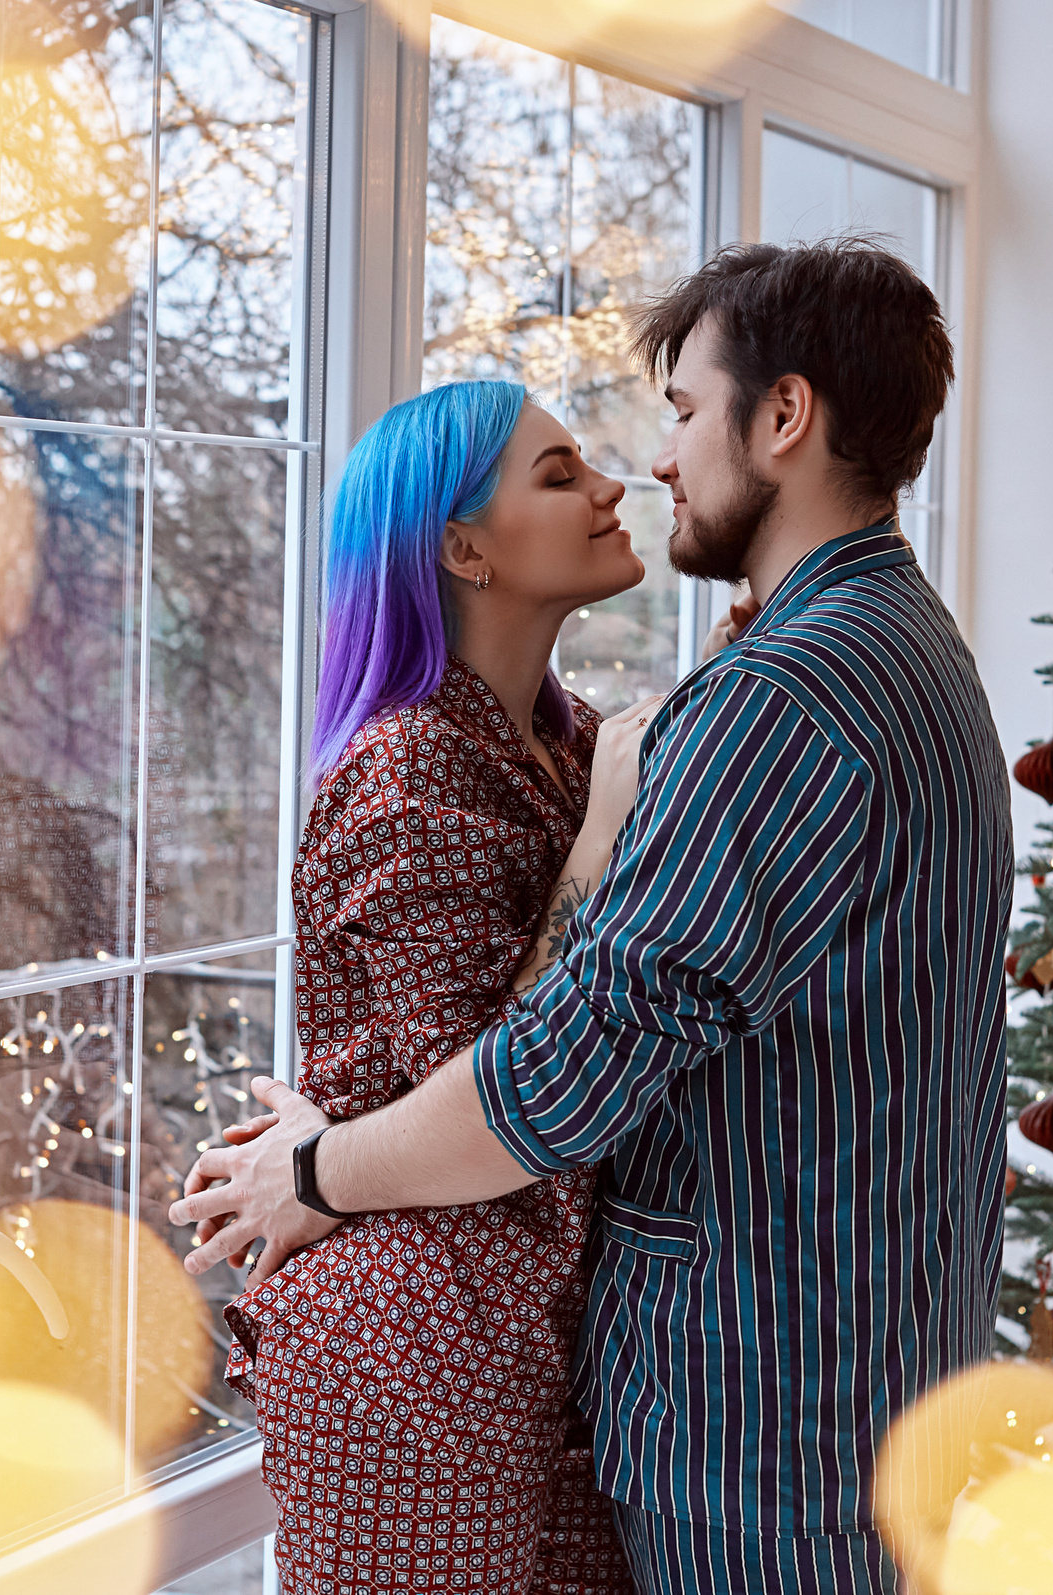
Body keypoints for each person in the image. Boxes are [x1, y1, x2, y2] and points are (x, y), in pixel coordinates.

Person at [175, 236, 1014, 1593]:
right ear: (459, 549)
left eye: (683, 409)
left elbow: (555, 1079)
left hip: (768, 1420)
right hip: (814, 1384)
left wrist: (316, 1170)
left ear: (784, 416)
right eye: (567, 464)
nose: (659, 461)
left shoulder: (776, 698)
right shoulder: (897, 641)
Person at [213, 379, 660, 1594]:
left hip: (536, 1328)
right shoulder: (409, 769)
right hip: (412, 1348)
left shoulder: (560, 742)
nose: (612, 488)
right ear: (463, 547)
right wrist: (602, 834)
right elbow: (500, 1082)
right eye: (559, 475)